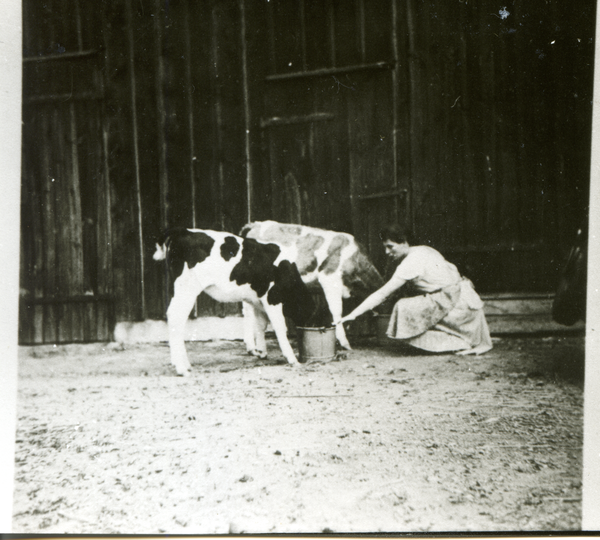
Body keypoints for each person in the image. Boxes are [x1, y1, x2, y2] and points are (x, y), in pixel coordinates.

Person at [335, 225, 493, 355]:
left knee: (403, 306)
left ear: (404, 242)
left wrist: (353, 315)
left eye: (390, 247)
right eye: (385, 248)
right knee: (416, 302)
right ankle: (459, 340)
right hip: (465, 302)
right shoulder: (425, 249)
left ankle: (457, 342)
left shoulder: (411, 261)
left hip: (457, 306)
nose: (387, 253)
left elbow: (382, 294)